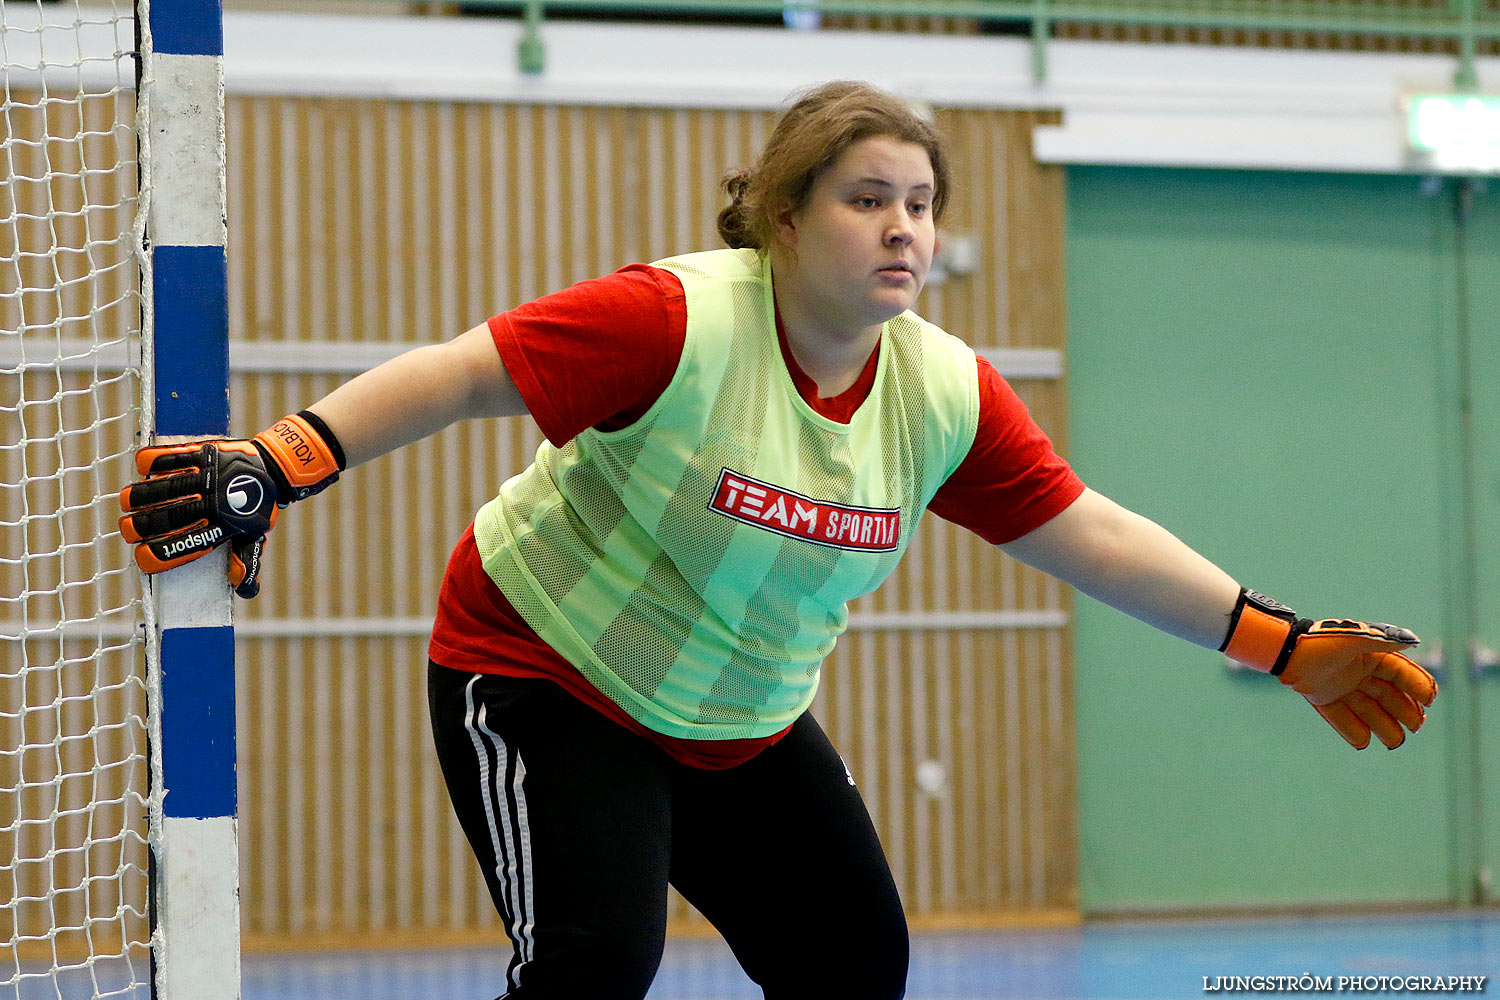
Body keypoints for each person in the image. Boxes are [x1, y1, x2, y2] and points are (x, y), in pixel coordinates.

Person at [118, 81, 1437, 1000]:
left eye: (922, 203)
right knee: (594, 964)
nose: (905, 227)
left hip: (738, 721)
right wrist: (290, 455)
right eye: (870, 199)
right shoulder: (674, 321)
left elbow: (1086, 531)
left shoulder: (944, 392)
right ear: (787, 216)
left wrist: (1279, 643)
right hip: (544, 675)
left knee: (856, 964)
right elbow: (469, 372)